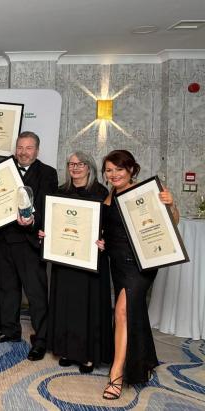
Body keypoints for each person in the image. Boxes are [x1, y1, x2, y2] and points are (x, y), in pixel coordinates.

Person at [100, 149, 179, 400]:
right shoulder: (109, 196)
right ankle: (144, 360)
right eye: (109, 170)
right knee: (134, 311)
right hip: (117, 262)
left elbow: (172, 223)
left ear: (132, 170)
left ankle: (117, 373)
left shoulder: (146, 192)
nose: (113, 174)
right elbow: (107, 228)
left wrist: (171, 204)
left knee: (122, 311)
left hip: (140, 264)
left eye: (119, 170)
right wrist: (102, 241)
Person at [0, 131, 58, 362]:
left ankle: (41, 339)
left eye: (28, 148)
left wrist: (33, 221)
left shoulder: (48, 173)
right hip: (4, 240)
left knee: (36, 293)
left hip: (28, 242)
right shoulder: (4, 169)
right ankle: (10, 330)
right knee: (7, 289)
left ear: (37, 150)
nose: (23, 152)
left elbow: (47, 206)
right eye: (20, 147)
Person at [44, 151, 113, 373]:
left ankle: (88, 356)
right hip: (64, 260)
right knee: (64, 304)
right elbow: (53, 222)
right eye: (71, 164)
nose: (75, 168)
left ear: (89, 167)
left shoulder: (101, 193)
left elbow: (112, 225)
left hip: (90, 260)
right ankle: (66, 350)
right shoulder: (61, 192)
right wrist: (46, 234)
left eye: (80, 164)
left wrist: (106, 240)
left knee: (87, 306)